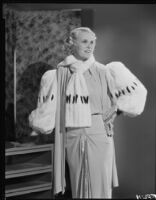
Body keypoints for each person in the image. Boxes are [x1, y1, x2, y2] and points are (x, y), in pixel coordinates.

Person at [29, 27, 147, 198]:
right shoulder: (58, 75)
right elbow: (47, 115)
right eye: (84, 41)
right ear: (72, 43)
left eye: (92, 42)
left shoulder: (105, 71)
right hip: (73, 137)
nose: (89, 46)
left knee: (100, 185)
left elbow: (136, 96)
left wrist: (116, 109)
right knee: (78, 185)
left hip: (99, 135)